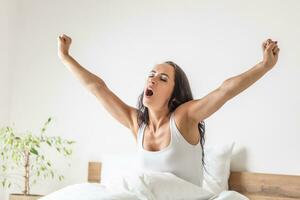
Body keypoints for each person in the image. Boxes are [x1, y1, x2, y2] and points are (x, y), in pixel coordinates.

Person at [57, 34, 280, 186]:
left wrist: (264, 66)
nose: (153, 80)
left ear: (174, 93)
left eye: (163, 78)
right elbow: (97, 88)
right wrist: (65, 57)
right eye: (151, 74)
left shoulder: (183, 118)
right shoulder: (137, 124)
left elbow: (224, 91)